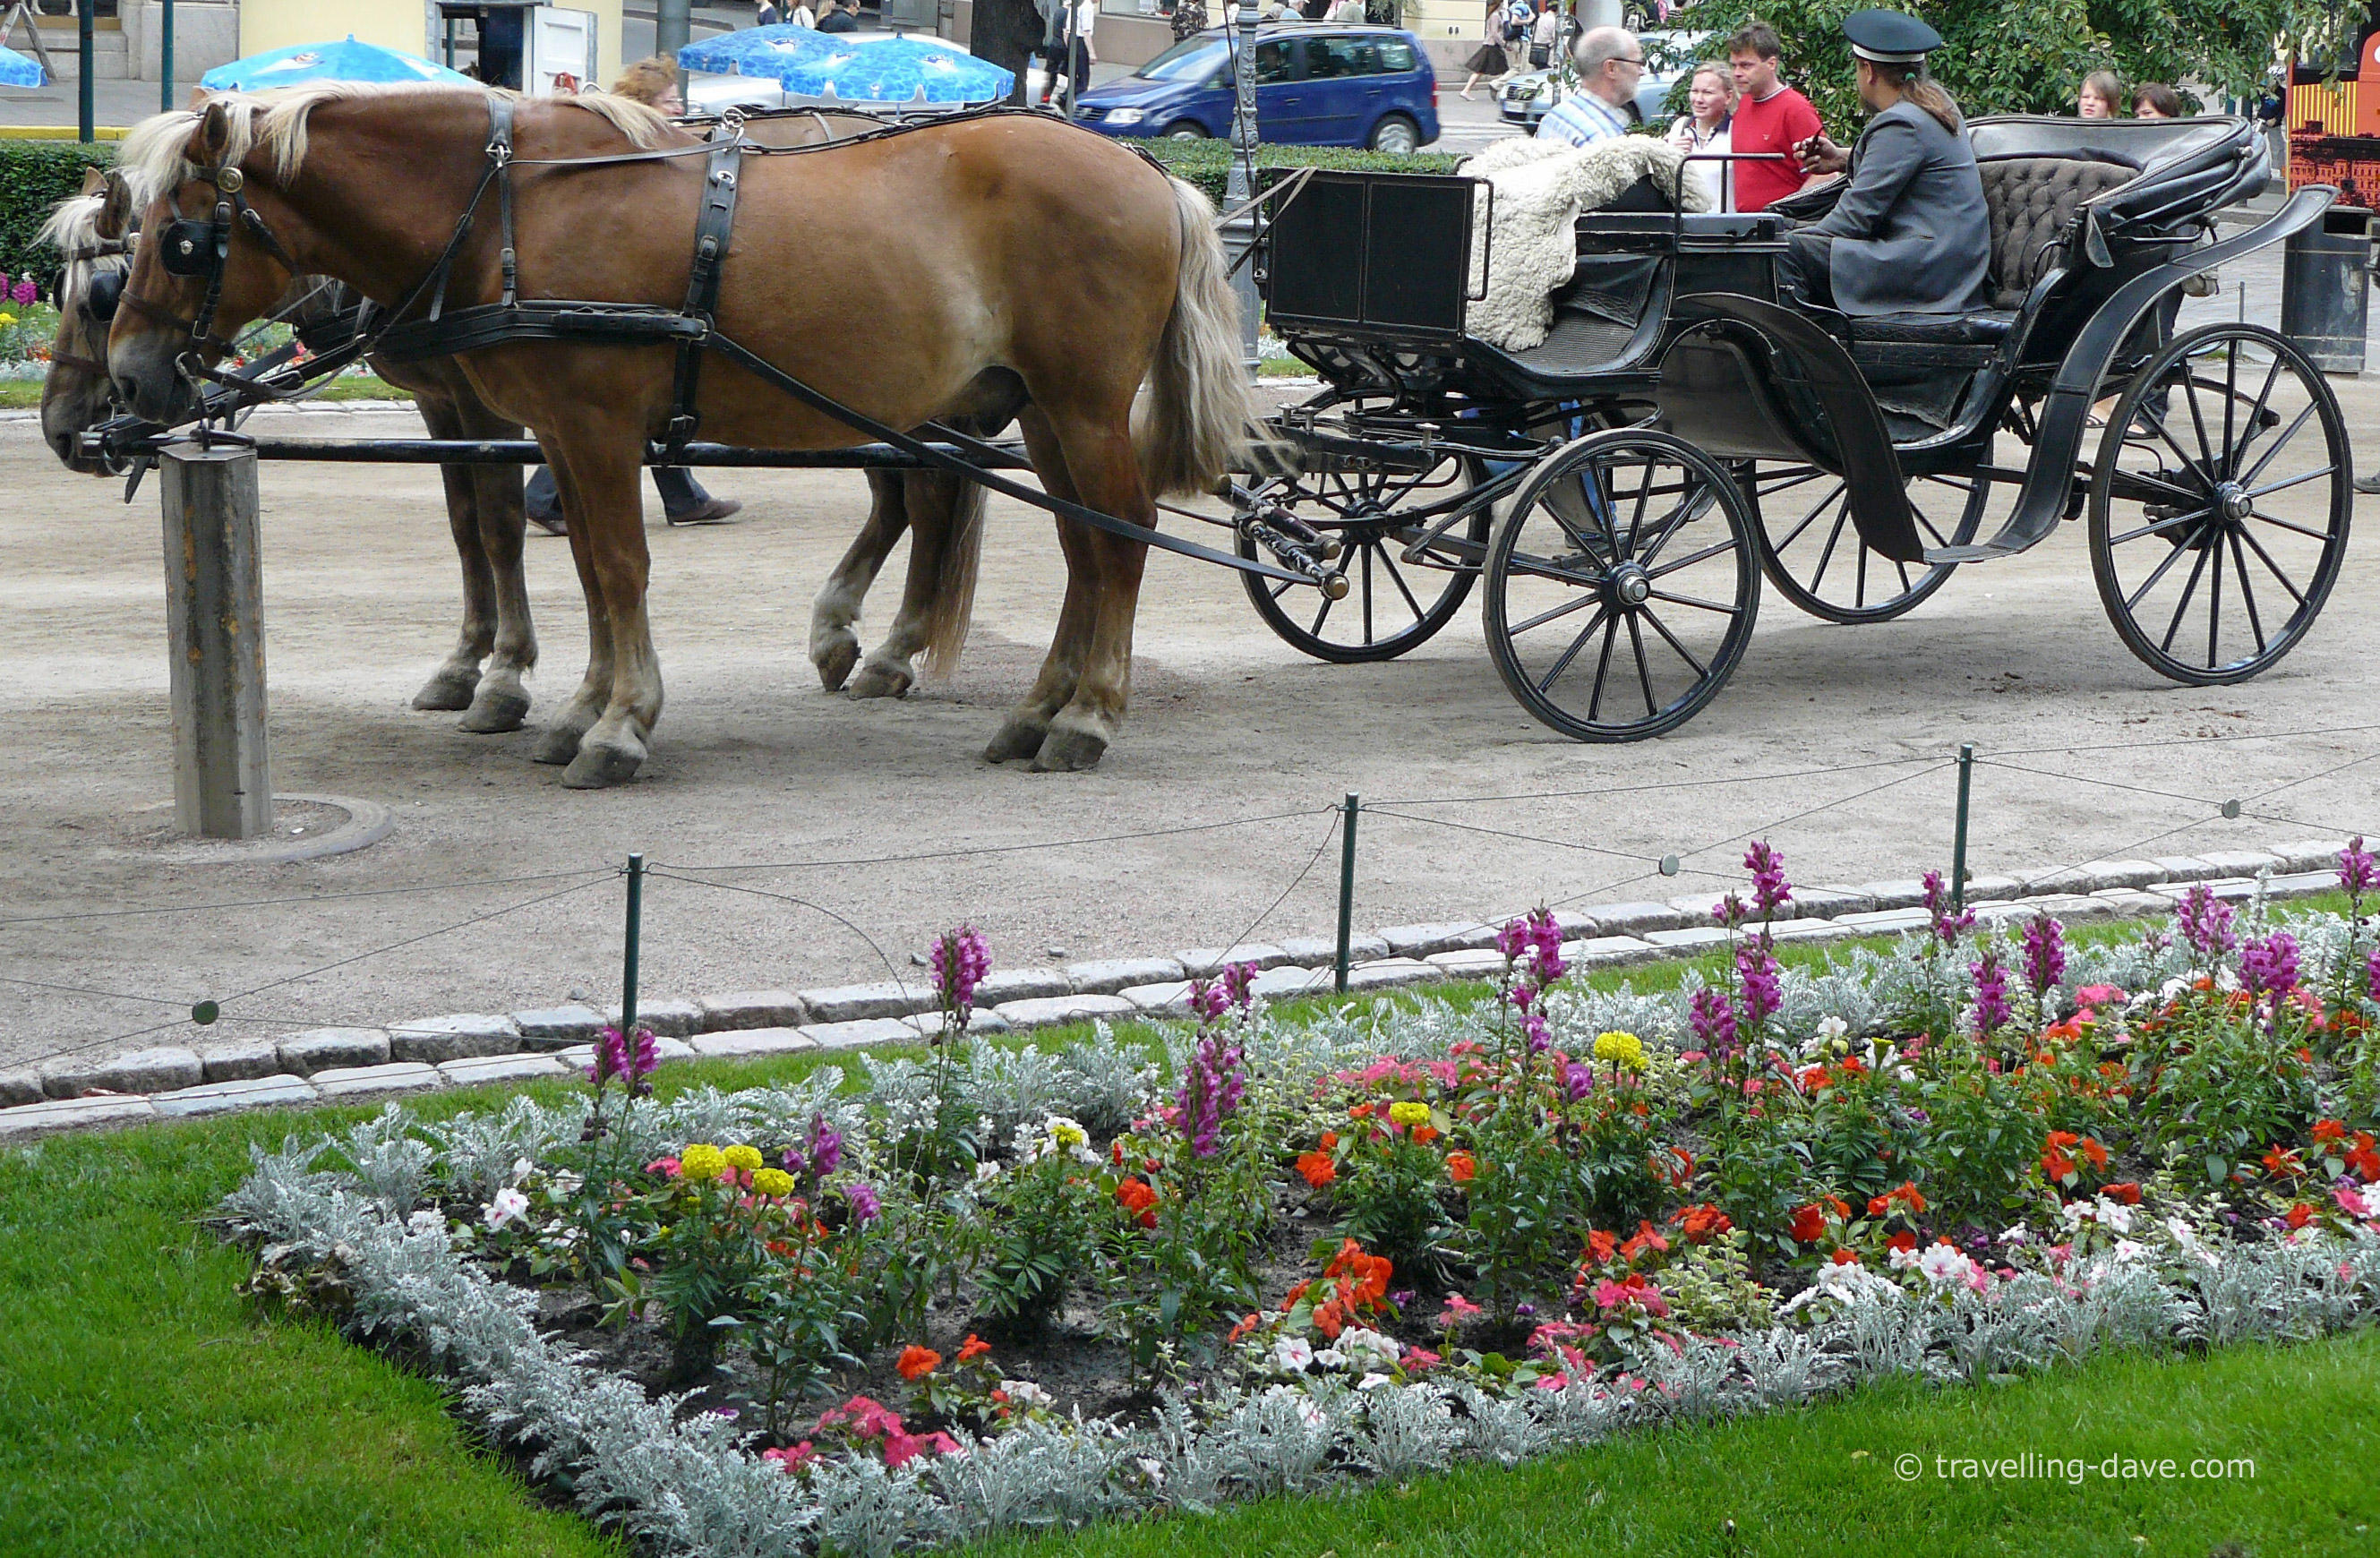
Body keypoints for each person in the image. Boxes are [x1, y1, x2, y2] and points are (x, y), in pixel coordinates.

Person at [526, 56, 743, 535]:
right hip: (624, 293)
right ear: (644, 106)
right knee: (618, 400)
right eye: (671, 101)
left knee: (652, 401)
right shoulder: (633, 152)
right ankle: (543, 496)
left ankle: (683, 498)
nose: (681, 106)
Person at [1779, 10, 1990, 318]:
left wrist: (1788, 241)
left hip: (1928, 266)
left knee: (1780, 251)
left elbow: (1853, 220)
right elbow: (1910, 161)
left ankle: (1801, 362)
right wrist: (1840, 158)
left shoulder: (1902, 122)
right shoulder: (1935, 103)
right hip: (1948, 259)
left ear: (1868, 71)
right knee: (1778, 230)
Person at [1725, 21, 1822, 213]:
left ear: (1771, 64)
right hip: (1747, 230)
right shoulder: (1743, 104)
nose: (1737, 73)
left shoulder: (1795, 109)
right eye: (1734, 65)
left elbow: (1825, 174)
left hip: (1782, 232)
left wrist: (1787, 213)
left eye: (1746, 65)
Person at [1536, 26, 1643, 147]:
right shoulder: (1602, 140)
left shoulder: (1555, 116)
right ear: (1611, 68)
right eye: (1638, 63)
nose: (1642, 71)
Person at [1668, 63, 1736, 210]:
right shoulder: (1680, 127)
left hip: (1727, 225)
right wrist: (1671, 155)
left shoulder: (1736, 129)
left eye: (1707, 93)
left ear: (1728, 97)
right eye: (1694, 91)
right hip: (1686, 226)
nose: (1698, 99)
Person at [1460, 0, 1513, 98]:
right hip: (1492, 46)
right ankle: (1503, 91)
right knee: (1504, 70)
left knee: (1481, 70)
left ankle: (1466, 90)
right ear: (1499, 4)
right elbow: (1495, 33)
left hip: (1490, 45)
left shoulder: (1494, 15)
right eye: (1502, 3)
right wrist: (1504, 44)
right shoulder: (1495, 16)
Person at [1530, 0, 1560, 70]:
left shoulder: (1540, 19)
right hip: (1548, 55)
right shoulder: (1553, 21)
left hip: (1536, 53)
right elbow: (1557, 39)